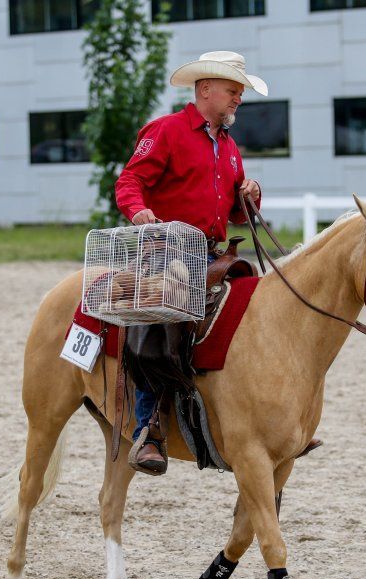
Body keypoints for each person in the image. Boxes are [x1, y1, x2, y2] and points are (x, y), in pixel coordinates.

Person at [114, 50, 267, 476]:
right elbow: (130, 180)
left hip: (216, 255)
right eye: (233, 91)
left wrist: (249, 193)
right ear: (205, 90)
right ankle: (148, 427)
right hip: (167, 250)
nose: (238, 99)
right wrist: (139, 211)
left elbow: (237, 215)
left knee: (257, 303)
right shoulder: (166, 131)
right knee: (165, 315)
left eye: (240, 92)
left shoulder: (230, 147)